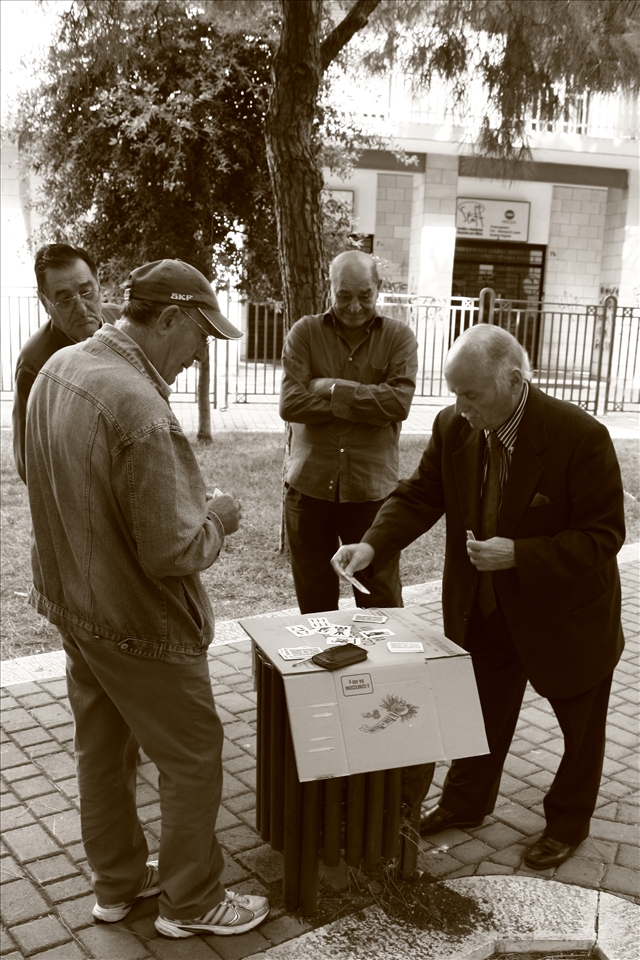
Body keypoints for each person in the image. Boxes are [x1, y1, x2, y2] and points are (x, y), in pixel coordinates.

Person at [25, 259, 270, 938]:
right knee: (193, 754)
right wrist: (216, 516)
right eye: (200, 337)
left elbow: (39, 477)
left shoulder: (60, 368)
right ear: (167, 320)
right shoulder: (140, 405)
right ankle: (190, 902)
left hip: (75, 604)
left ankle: (116, 885)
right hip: (139, 621)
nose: (201, 356)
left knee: (101, 748)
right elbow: (173, 552)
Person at [332, 322, 625, 870]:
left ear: (514, 381)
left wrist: (521, 553)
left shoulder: (579, 436)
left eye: (472, 393)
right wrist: (372, 546)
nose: (461, 406)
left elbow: (604, 535)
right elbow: (420, 494)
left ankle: (567, 823)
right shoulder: (454, 426)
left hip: (565, 618)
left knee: (580, 734)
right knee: (478, 716)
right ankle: (466, 804)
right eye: (454, 392)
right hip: (485, 609)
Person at [279, 249, 418, 614]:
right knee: (315, 607)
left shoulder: (399, 337)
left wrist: (331, 388)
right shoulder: (305, 333)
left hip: (372, 494)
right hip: (309, 490)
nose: (354, 306)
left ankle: (387, 673)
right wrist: (367, 406)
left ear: (378, 288)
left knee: (382, 603)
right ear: (330, 288)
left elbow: (397, 405)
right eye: (344, 295)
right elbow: (291, 405)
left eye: (364, 295)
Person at [12, 242, 120, 483]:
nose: (81, 308)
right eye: (65, 299)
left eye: (86, 291)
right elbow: (27, 463)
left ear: (99, 284)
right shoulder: (34, 364)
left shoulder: (123, 323)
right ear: (44, 302)